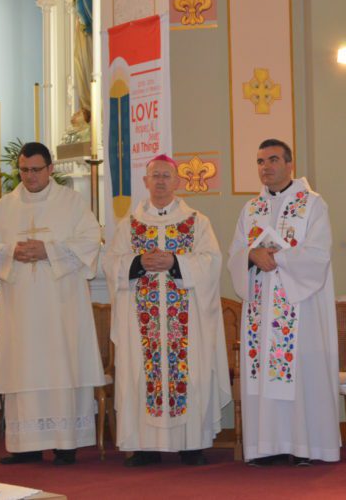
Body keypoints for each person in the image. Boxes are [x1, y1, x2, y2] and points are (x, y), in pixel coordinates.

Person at [0, 142, 104, 465]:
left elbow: (91, 240)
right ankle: (26, 446)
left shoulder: (71, 203)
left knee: (62, 365)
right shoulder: (4, 207)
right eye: (24, 170)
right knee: (24, 368)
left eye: (36, 170)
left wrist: (48, 250)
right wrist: (10, 252)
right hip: (21, 309)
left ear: (50, 169)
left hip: (62, 307)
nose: (29, 176)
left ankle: (65, 444)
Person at [104, 154, 230, 467]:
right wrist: (138, 263)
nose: (160, 181)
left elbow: (212, 262)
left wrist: (176, 263)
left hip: (186, 321)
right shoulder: (129, 225)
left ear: (177, 182)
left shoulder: (197, 222)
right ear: (145, 182)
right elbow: (111, 263)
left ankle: (192, 445)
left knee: (190, 373)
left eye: (166, 176)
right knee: (140, 375)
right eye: (155, 176)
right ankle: (144, 447)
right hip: (141, 322)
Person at [227, 139, 340, 466]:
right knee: (263, 375)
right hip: (261, 310)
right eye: (260, 161)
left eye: (273, 159)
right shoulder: (251, 209)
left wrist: (278, 258)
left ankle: (304, 447)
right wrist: (251, 255)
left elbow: (318, 252)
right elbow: (235, 254)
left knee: (300, 374)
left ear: (290, 164)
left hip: (300, 307)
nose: (266, 167)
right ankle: (266, 447)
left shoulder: (312, 204)